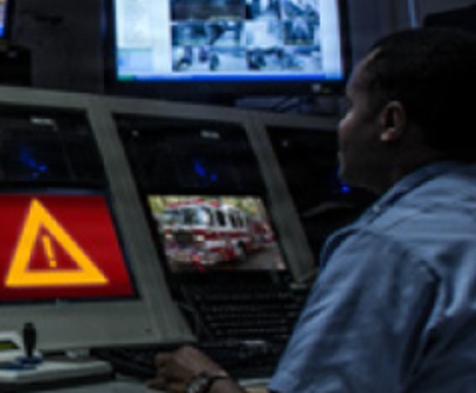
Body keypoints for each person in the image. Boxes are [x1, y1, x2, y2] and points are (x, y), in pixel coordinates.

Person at [148, 27, 476, 393]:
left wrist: (205, 383)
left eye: (351, 107)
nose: (341, 125)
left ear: (390, 122)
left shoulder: (388, 247)